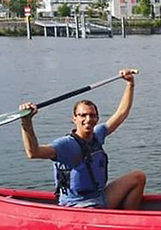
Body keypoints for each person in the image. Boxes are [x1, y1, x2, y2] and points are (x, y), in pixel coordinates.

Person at [19, 69, 145, 209]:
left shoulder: (97, 135)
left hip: (99, 197)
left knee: (138, 177)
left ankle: (128, 222)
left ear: (97, 118)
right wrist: (26, 122)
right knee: (92, 209)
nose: (88, 119)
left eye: (92, 115)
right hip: (78, 205)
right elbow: (33, 152)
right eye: (83, 115)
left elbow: (121, 114)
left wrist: (130, 84)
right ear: (74, 119)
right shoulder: (66, 145)